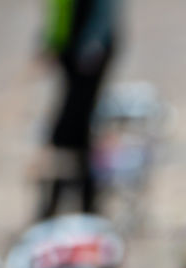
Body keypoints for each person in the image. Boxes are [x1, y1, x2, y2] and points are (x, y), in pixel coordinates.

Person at [40, 0, 120, 218]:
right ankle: (65, 203)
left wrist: (93, 41)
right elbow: (59, 11)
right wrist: (49, 43)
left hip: (90, 54)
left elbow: (104, 10)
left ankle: (78, 204)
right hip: (73, 51)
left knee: (72, 131)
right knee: (69, 132)